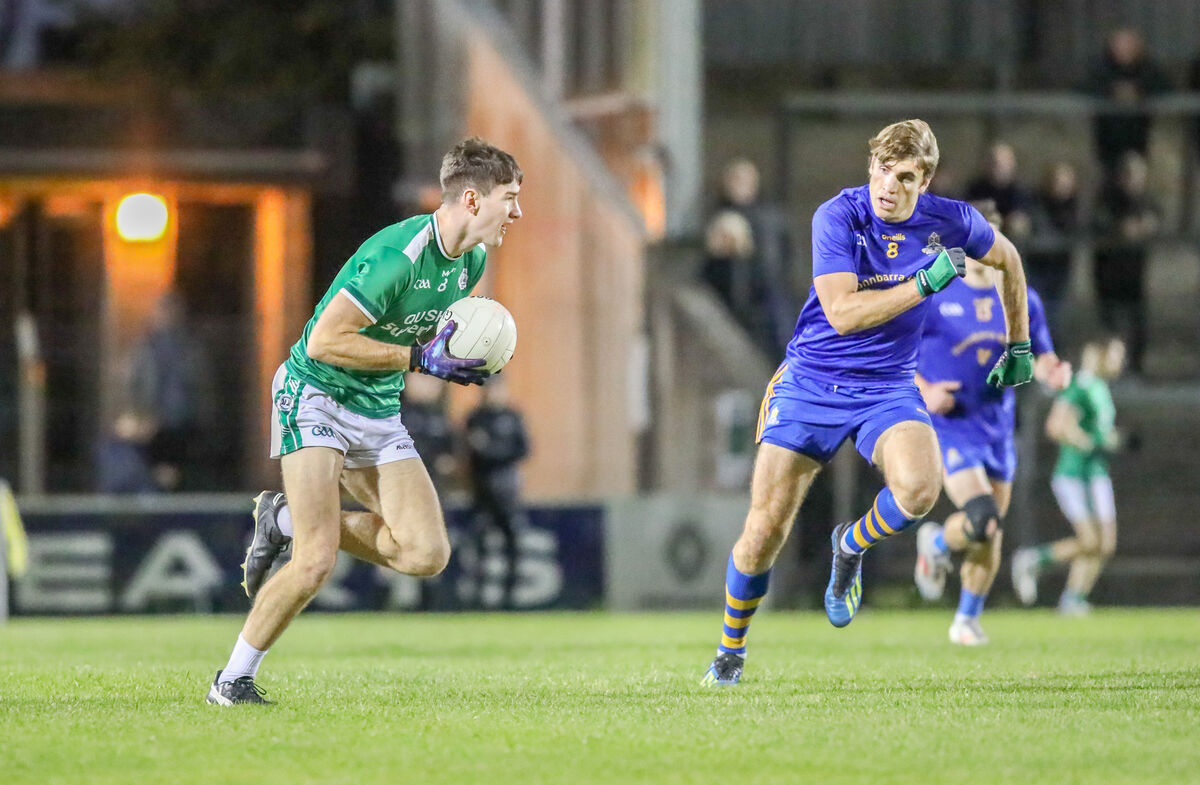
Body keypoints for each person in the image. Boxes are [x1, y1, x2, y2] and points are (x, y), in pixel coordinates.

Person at [701, 119, 1033, 687]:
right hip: (811, 380)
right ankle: (730, 653)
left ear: (924, 180)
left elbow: (1010, 262)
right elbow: (843, 313)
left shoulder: (952, 221)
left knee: (921, 490)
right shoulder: (837, 215)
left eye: (905, 177)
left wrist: (1019, 342)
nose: (889, 186)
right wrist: (922, 286)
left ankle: (848, 545)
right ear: (869, 167)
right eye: (882, 170)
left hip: (887, 386)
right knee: (765, 530)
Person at [206, 137, 522, 705]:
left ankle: (285, 521)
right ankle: (231, 681)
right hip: (315, 394)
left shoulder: (471, 260)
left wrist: (449, 353)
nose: (517, 212)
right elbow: (327, 340)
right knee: (315, 561)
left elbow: (411, 335)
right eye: (510, 197)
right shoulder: (396, 255)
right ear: (472, 200)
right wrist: (422, 359)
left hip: (376, 406)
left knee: (427, 554)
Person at [911, 202, 1072, 645]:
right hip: (950, 426)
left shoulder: (1021, 296)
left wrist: (1053, 371)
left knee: (988, 532)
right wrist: (925, 389)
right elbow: (894, 351)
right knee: (982, 517)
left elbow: (1039, 355)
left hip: (998, 427)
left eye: (993, 240)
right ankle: (953, 588)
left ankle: (962, 609)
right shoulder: (937, 290)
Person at [1011, 336, 1125, 616]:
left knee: (1105, 545)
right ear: (1099, 354)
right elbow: (1056, 426)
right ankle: (1034, 559)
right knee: (1089, 542)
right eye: (1115, 354)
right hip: (1076, 473)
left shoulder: (1100, 387)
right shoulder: (1082, 385)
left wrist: (1108, 439)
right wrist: (1085, 441)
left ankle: (1073, 598)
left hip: (1097, 472)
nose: (1120, 362)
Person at [701, 158, 797, 355]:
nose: (740, 186)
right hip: (729, 293)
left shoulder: (770, 216)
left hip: (767, 288)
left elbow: (785, 252)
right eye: (735, 180)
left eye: (745, 180)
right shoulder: (718, 216)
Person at [127, 290, 215, 490]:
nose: (167, 317)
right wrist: (140, 416)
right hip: (154, 423)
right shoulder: (146, 349)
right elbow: (135, 384)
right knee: (155, 475)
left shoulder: (191, 348)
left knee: (183, 475)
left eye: (172, 311)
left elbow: (202, 386)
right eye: (163, 311)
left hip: (185, 422)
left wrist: (204, 417)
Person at [464, 375, 530, 609]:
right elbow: (473, 453)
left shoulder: (513, 417)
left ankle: (510, 597)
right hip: (481, 492)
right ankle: (479, 597)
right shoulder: (476, 418)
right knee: (479, 544)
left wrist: (492, 449)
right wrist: (497, 451)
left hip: (508, 492)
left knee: (512, 543)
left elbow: (523, 449)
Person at [1092, 151, 1159, 376]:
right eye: (1127, 174)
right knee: (1110, 324)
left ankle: (1136, 368)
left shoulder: (1147, 199)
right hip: (1108, 271)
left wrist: (1147, 225)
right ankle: (1110, 370)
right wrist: (1119, 228)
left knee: (1137, 321)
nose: (1131, 180)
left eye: (1136, 175)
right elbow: (1099, 220)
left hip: (1135, 272)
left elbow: (1158, 219)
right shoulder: (1107, 198)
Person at [1081, 27, 1171, 174]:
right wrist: (1111, 92)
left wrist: (1140, 91)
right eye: (1119, 45)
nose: (1123, 50)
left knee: (1136, 177)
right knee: (1109, 178)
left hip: (1137, 136)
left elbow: (1165, 88)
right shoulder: (1101, 66)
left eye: (1128, 46)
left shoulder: (1147, 67)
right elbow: (1084, 88)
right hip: (1107, 138)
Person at [1026, 162, 1083, 338]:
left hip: (1061, 267)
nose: (1060, 187)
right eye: (1056, 181)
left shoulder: (1074, 207)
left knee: (1057, 316)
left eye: (1064, 183)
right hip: (1037, 266)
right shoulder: (1036, 203)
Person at [964, 143, 1034, 245]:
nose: (998, 167)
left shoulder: (1021, 192)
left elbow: (1023, 217)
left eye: (1003, 163)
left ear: (1012, 165)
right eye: (993, 163)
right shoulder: (974, 189)